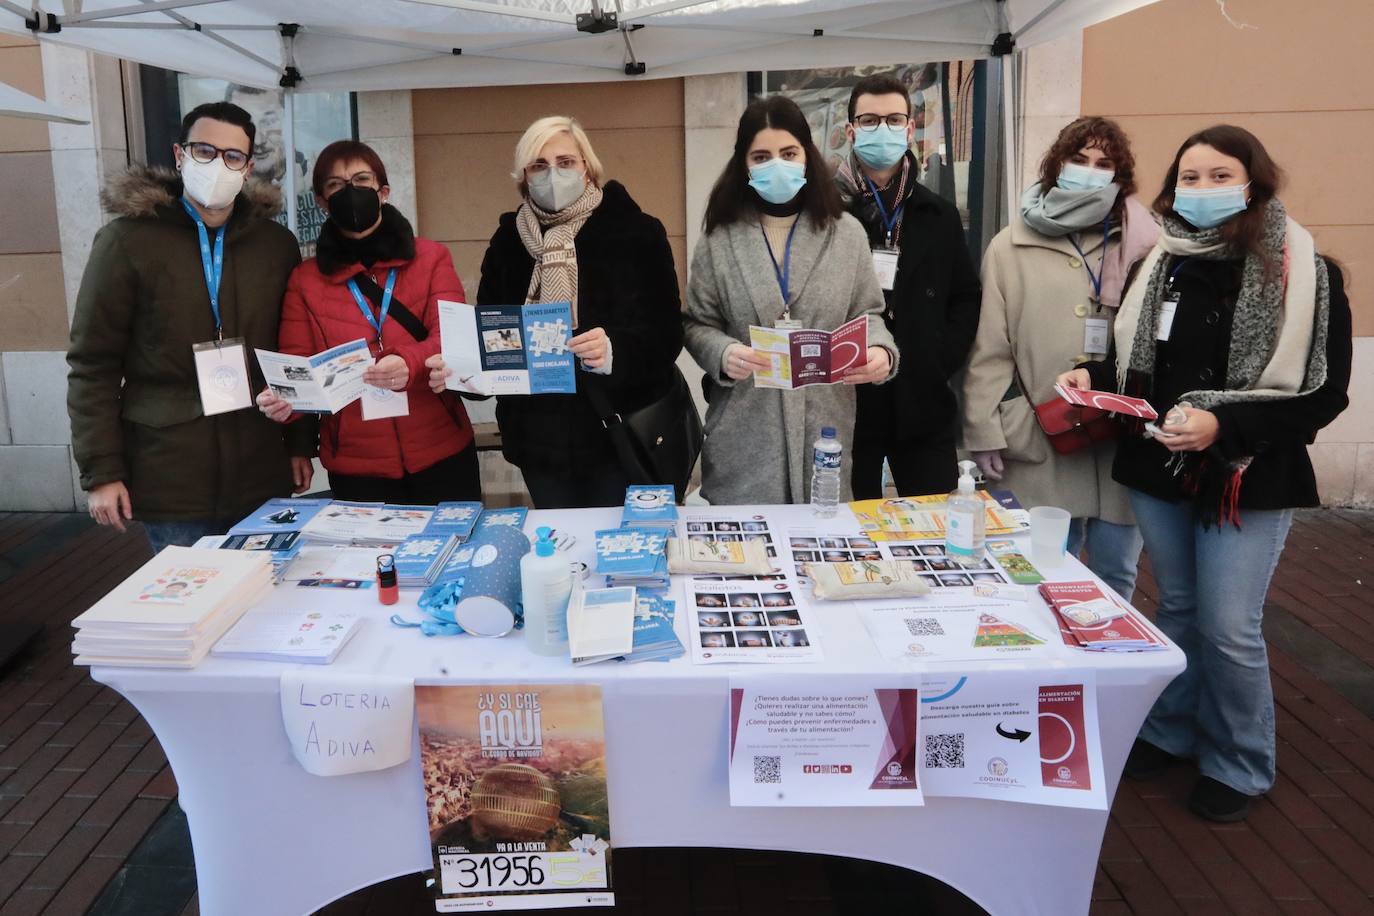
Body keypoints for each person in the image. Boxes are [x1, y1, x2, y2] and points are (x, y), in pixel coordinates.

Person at [1059, 125, 1351, 822]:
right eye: (1191, 177)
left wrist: (1225, 426)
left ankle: (1240, 761)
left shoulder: (1306, 271)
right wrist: (1091, 375)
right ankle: (1171, 729)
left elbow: (1324, 393)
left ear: (1254, 182)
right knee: (1179, 607)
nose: (1203, 190)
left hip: (1246, 476)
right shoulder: (1160, 264)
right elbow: (1142, 361)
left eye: (1221, 176)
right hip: (1160, 466)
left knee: (1228, 625)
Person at [67, 102, 311, 555]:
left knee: (267, 605)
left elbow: (292, 351)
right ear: (179, 155)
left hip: (259, 468)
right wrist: (102, 472)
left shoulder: (276, 246)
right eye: (204, 151)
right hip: (170, 477)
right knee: (192, 613)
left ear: (248, 167)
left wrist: (299, 443)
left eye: (232, 156)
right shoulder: (126, 242)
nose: (218, 165)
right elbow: (92, 365)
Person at [425, 116, 682, 508]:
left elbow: (666, 334)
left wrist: (615, 351)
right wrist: (462, 370)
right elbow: (493, 335)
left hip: (616, 432)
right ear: (524, 176)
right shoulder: (510, 240)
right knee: (560, 553)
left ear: (587, 167)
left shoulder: (636, 232)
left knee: (619, 554)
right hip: (539, 444)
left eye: (566, 162)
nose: (553, 173)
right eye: (539, 165)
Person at [960, 117, 1158, 599]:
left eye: (1104, 164)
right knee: (1039, 576)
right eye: (1079, 160)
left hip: (1118, 442)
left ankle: (1108, 671)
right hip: (1040, 436)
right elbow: (990, 349)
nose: (1091, 172)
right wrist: (982, 430)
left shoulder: (1146, 242)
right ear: (1056, 165)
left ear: (1120, 175)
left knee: (1115, 579)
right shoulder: (1010, 245)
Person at [683, 95, 897, 506]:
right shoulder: (720, 238)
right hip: (745, 432)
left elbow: (868, 312)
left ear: (807, 156)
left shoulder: (846, 233)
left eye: (788, 153)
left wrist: (880, 351)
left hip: (826, 427)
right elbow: (695, 323)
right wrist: (723, 352)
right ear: (743, 164)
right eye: (760, 156)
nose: (775, 164)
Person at [257, 140, 481, 504]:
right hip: (357, 466)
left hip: (441, 451)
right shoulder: (305, 279)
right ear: (321, 201)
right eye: (335, 185)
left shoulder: (431, 257)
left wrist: (409, 363)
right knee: (371, 563)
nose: (351, 192)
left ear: (384, 191)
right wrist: (286, 402)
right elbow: (297, 364)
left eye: (361, 179)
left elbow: (452, 338)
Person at [833, 73, 981, 498]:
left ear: (911, 129)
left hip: (922, 397)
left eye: (895, 119)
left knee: (934, 527)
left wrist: (938, 359)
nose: (883, 129)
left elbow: (965, 297)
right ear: (850, 131)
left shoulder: (939, 213)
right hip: (848, 398)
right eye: (870, 120)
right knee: (850, 531)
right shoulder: (824, 212)